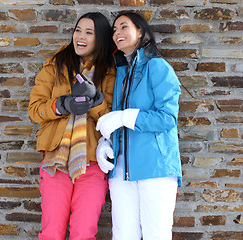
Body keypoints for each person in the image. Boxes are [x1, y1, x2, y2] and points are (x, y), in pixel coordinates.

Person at [95, 11, 182, 240]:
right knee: (123, 235)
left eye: (124, 27)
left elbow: (167, 119)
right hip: (121, 171)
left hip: (155, 167)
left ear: (140, 32)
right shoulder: (121, 73)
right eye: (114, 30)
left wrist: (124, 117)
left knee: (157, 234)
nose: (117, 33)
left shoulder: (158, 67)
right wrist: (105, 141)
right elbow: (115, 118)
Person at [28, 12, 115, 240]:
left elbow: (110, 120)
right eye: (78, 30)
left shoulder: (110, 72)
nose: (81, 36)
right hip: (56, 161)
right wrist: (62, 104)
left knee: (83, 232)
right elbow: (35, 110)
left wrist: (94, 101)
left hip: (93, 163)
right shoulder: (54, 66)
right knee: (52, 231)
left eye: (89, 32)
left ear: (101, 38)